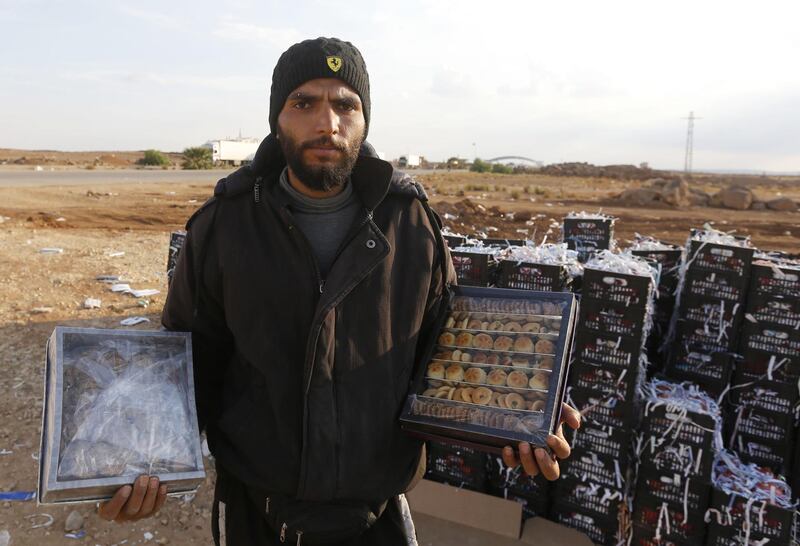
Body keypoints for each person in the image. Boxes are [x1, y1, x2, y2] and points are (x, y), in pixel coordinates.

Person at [98, 37, 580, 545]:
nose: (327, 123)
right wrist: (138, 465)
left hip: (377, 517)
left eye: (345, 104)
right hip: (257, 511)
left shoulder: (410, 223)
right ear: (276, 119)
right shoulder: (224, 227)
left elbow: (446, 354)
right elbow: (183, 368)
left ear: (365, 119)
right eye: (303, 103)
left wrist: (525, 408)